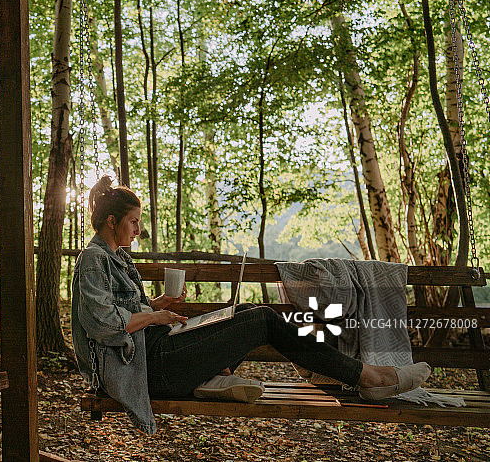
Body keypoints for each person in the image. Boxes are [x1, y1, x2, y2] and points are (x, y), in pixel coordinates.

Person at [71, 176, 432, 434]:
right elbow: (104, 324)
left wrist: (158, 305)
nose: (138, 229)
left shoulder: (116, 257)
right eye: (133, 222)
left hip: (157, 355)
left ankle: (212, 376)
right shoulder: (93, 259)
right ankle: (369, 376)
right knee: (261, 319)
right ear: (111, 221)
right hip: (147, 371)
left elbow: (127, 309)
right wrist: (153, 315)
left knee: (243, 312)